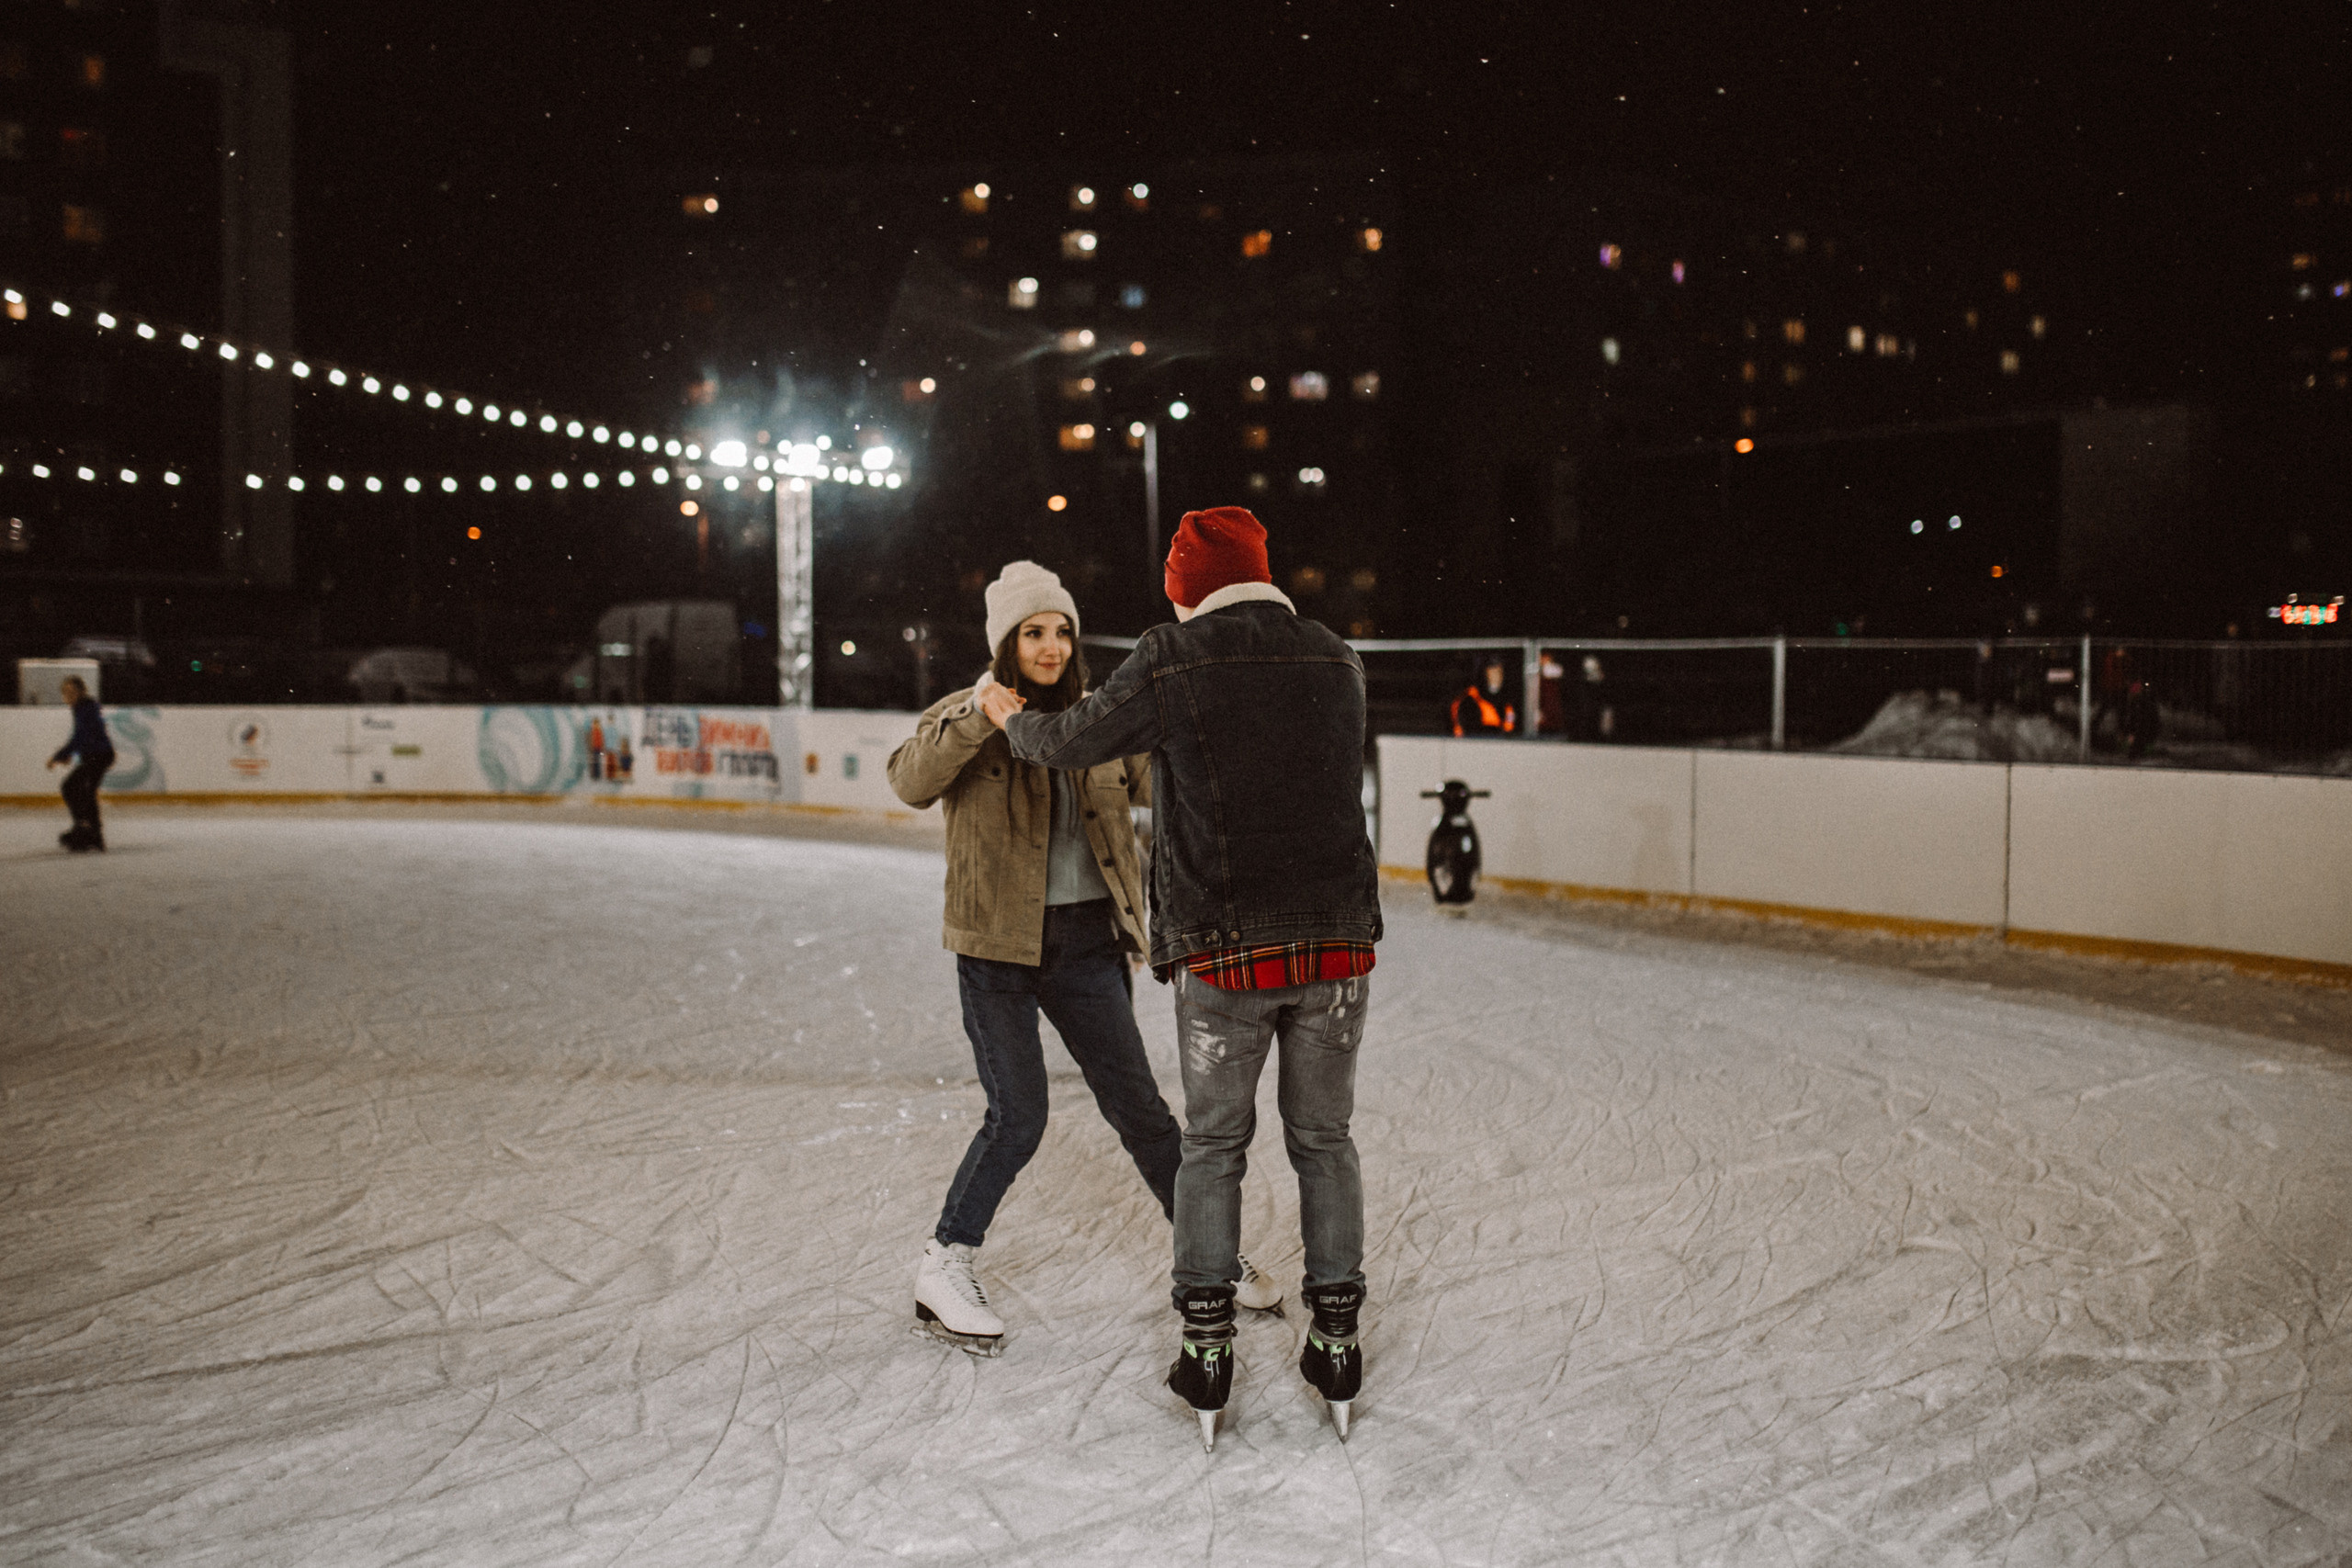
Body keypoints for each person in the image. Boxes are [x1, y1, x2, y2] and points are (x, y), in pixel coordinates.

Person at [984, 508, 1381, 1448]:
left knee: (1213, 1147)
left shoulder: (1175, 655)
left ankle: (1206, 1350)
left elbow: (1072, 737)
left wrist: (1009, 716)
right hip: (1334, 948)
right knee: (1324, 1139)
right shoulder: (1335, 656)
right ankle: (1335, 1340)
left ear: (1186, 585)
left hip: (1226, 947)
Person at [887, 560, 1280, 1359]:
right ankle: (944, 1261)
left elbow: (1159, 785)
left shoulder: (1099, 722)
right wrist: (976, 714)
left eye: (1061, 630)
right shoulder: (965, 716)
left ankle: (1209, 1255)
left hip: (1089, 948)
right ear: (1006, 641)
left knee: (1143, 1113)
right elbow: (908, 780)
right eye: (1034, 632)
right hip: (998, 948)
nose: (1053, 645)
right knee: (1020, 1114)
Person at [46, 674, 115, 852]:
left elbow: (81, 737)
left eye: (72, 692)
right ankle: (89, 831)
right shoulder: (81, 708)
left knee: (75, 788)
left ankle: (87, 830)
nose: (68, 696)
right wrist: (67, 753)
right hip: (94, 755)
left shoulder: (86, 708)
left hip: (100, 756)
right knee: (80, 789)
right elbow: (82, 738)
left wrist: (59, 756)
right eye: (65, 692)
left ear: (81, 692)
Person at [1450, 654, 1518, 736]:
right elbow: (1472, 733)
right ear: (1484, 673)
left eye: (1499, 671)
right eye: (1492, 671)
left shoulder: (1507, 699)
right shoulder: (1469, 700)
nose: (1496, 676)